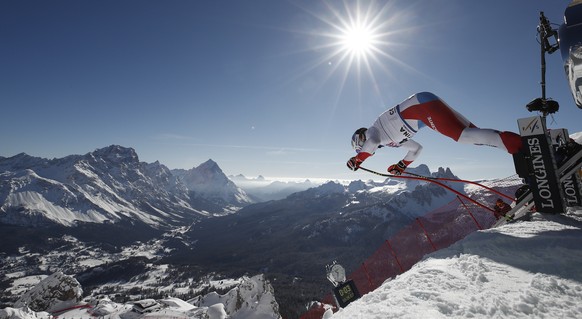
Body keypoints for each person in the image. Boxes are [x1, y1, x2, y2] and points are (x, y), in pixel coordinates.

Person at [347, 92, 523, 175]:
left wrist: (358, 160)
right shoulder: (389, 141)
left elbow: (371, 143)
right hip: (425, 104)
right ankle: (530, 141)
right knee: (474, 136)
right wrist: (402, 165)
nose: (366, 145)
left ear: (361, 140)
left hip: (422, 108)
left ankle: (521, 146)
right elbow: (416, 149)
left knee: (463, 137)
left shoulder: (373, 130)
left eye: (361, 146)